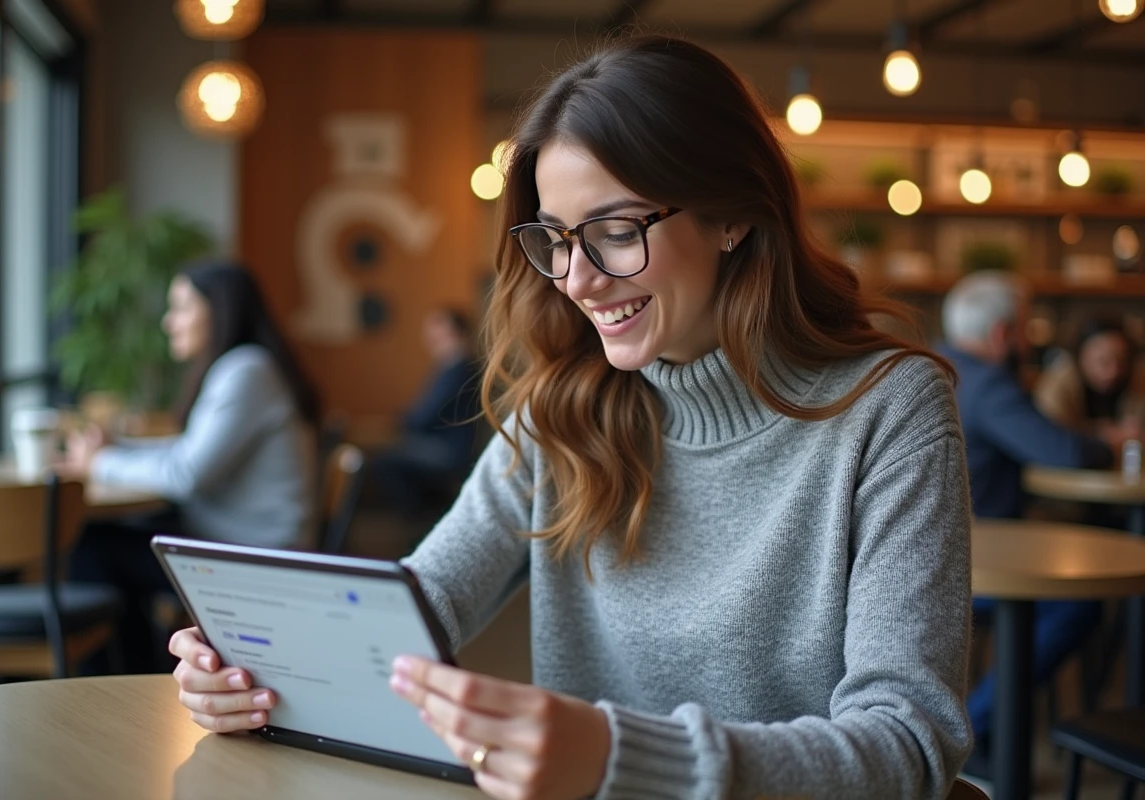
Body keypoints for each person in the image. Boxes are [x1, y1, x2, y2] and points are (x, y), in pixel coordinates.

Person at [166, 36, 972, 799]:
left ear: (733, 215)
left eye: (616, 232)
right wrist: (258, 669)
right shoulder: (560, 408)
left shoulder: (888, 409)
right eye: (554, 240)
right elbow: (420, 603)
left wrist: (623, 758)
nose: (577, 280)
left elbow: (909, 744)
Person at [62, 261, 320, 672]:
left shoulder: (246, 371)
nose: (169, 322)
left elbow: (185, 475)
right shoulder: (245, 368)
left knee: (95, 546)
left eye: (181, 307)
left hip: (253, 558)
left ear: (219, 310)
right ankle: (134, 668)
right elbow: (188, 451)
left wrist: (102, 462)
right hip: (234, 540)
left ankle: (112, 676)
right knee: (109, 541)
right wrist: (117, 449)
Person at [936, 271, 1123, 776]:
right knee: (1078, 605)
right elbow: (1061, 451)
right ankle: (971, 730)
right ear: (1002, 333)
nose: (1027, 341)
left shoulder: (930, 364)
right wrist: (1110, 442)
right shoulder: (989, 383)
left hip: (932, 552)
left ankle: (979, 724)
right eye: (1023, 329)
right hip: (977, 561)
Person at [368, 307, 482, 516]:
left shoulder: (458, 368)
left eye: (437, 328)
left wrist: (397, 424)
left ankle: (422, 517)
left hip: (449, 450)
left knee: (384, 461)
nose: (429, 336)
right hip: (444, 445)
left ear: (453, 332)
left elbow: (425, 417)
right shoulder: (452, 367)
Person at [1035, 317, 1143, 434]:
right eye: (1103, 361)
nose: (1113, 371)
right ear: (1080, 358)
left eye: (1121, 361)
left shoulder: (1138, 380)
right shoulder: (1057, 386)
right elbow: (1051, 435)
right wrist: (1104, 433)